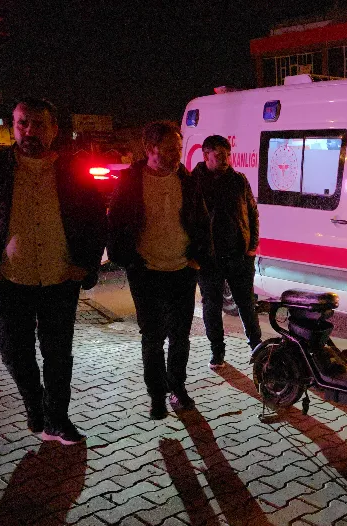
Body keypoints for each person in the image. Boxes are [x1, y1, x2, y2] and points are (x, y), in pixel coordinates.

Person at [0, 98, 107, 444]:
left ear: (53, 130)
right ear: (14, 126)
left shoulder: (72, 171)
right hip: (8, 280)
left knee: (58, 355)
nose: (29, 131)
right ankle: (35, 405)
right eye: (23, 123)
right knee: (13, 350)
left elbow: (97, 219)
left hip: (59, 278)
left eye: (38, 124)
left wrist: (84, 264)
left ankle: (57, 419)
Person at [107, 121, 210, 420]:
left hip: (182, 269)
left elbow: (203, 222)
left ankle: (177, 387)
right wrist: (130, 260)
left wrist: (197, 259)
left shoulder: (187, 181)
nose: (177, 154)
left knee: (181, 336)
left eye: (178, 148)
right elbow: (115, 225)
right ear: (150, 149)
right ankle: (156, 395)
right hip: (146, 272)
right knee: (152, 337)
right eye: (169, 149)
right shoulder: (131, 182)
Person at [192, 135, 262, 367]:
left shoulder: (238, 180)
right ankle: (217, 351)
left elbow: (252, 213)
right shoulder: (194, 182)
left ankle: (257, 348)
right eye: (219, 155)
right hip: (209, 258)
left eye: (227, 155)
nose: (225, 159)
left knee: (246, 304)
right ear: (206, 155)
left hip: (238, 255)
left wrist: (252, 247)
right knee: (211, 306)